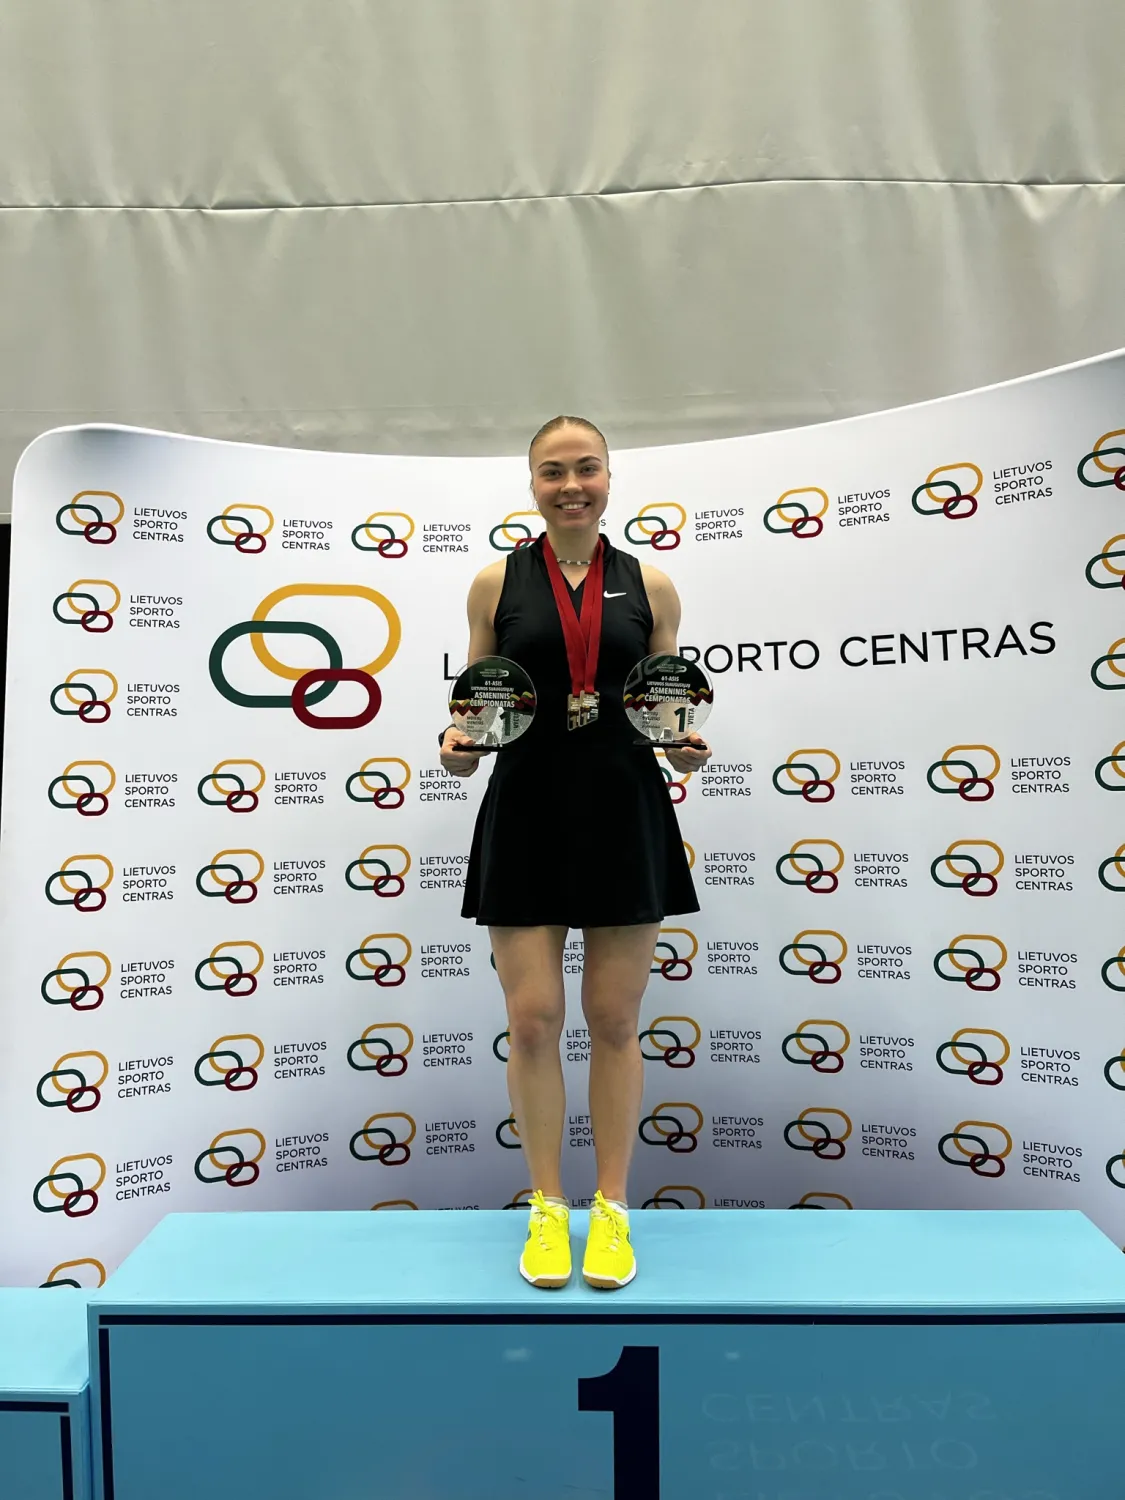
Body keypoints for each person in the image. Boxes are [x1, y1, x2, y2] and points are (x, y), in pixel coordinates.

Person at [440, 416, 711, 1289]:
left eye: (585, 469)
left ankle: (614, 1209)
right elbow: (476, 706)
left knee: (614, 1021)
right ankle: (547, 1207)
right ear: (532, 485)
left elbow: (664, 706)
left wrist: (682, 748)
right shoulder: (494, 583)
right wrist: (456, 750)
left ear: (607, 479)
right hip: (525, 810)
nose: (570, 485)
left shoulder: (651, 585)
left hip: (623, 809)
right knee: (531, 1020)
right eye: (552, 471)